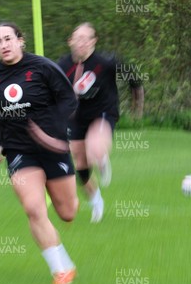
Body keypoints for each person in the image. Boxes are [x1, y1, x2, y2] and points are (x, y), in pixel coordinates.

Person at [0, 22, 79, 284]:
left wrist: (53, 132)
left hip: (53, 148)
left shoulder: (43, 67)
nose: (3, 45)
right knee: (33, 209)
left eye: (8, 39)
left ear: (21, 40)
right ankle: (61, 269)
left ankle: (63, 204)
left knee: (67, 213)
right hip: (19, 150)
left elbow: (69, 99)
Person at [58, 22, 144, 223]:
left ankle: (101, 158)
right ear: (70, 41)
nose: (82, 43)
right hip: (76, 118)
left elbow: (135, 80)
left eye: (87, 38)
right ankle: (96, 199)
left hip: (104, 112)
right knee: (80, 164)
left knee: (95, 148)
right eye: (78, 38)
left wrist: (137, 105)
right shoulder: (62, 66)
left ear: (93, 42)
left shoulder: (106, 62)